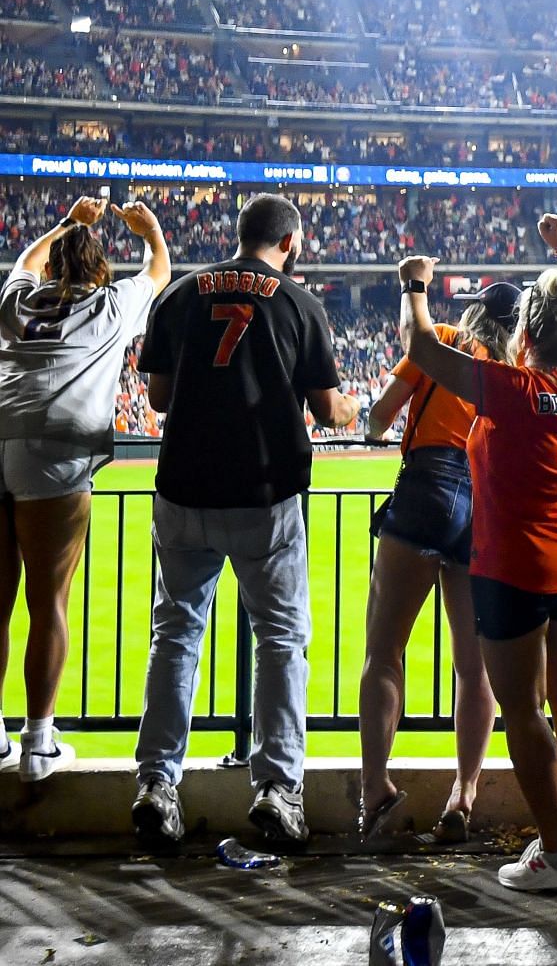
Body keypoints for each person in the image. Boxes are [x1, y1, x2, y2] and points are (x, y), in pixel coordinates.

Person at [395, 214, 557, 890]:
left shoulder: (518, 390)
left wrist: (415, 288)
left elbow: (426, 350)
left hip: (516, 566)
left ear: (527, 331)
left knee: (521, 706)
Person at [131, 193, 357, 845]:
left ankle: (156, 784)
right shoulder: (297, 301)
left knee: (174, 637)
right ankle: (278, 790)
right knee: (281, 641)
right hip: (266, 496)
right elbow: (328, 409)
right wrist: (356, 412)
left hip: (183, 492)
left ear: (239, 234)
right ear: (288, 241)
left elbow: (159, 395)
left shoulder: (180, 293)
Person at [0, 195, 168, 781]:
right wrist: (149, 232)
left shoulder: (19, 299)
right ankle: (37, 743)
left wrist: (68, 221)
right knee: (48, 604)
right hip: (55, 457)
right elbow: (158, 271)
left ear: (51, 269)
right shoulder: (110, 305)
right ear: (100, 269)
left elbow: (24, 258)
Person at [356, 279, 520, 843]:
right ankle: (463, 794)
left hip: (425, 486)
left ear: (474, 310)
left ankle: (375, 790)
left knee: (384, 653)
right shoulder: (515, 367)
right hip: (484, 503)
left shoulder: (444, 340)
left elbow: (378, 418)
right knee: (474, 667)